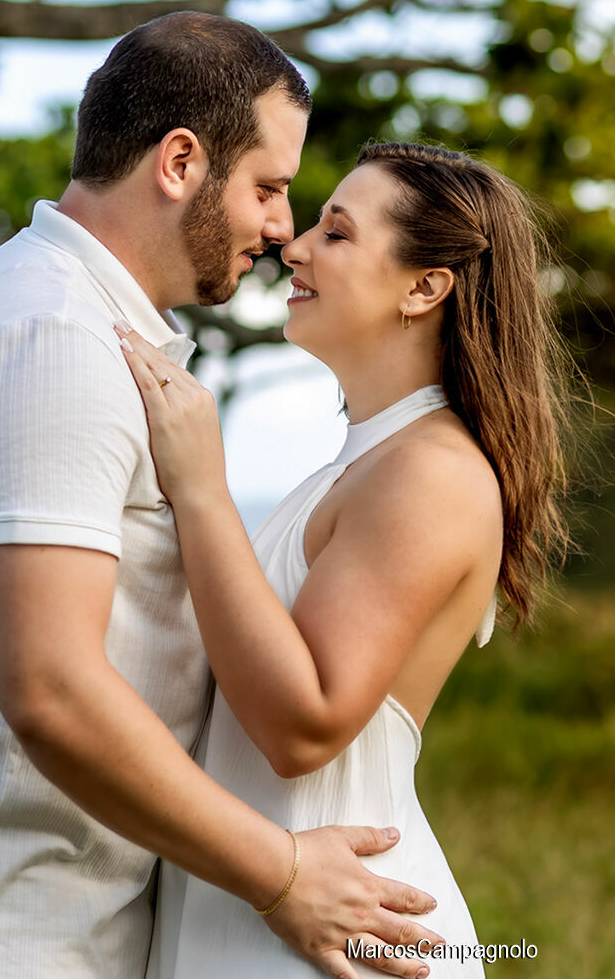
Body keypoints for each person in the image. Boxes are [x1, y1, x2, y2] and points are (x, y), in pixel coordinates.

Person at [0, 13, 441, 979]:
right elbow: (51, 688)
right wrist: (282, 874)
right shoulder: (50, 336)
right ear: (179, 162)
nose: (279, 228)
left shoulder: (85, 325)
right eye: (268, 187)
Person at [116, 140, 576, 977]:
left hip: (343, 934)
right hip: (273, 912)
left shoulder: (429, 475)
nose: (292, 246)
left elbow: (304, 724)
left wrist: (202, 490)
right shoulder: (364, 465)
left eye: (335, 233)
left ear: (424, 286)